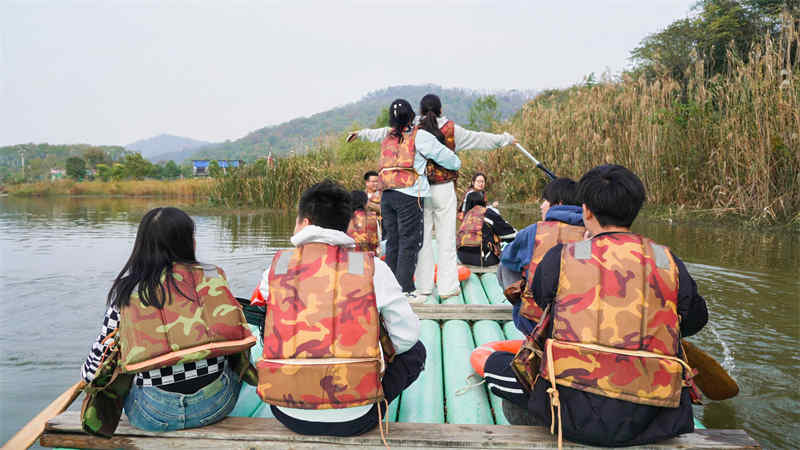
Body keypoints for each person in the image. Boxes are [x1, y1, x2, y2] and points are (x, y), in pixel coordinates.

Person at [484, 165, 708, 447]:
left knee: (495, 366)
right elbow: (696, 319)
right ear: (635, 210)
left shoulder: (562, 257)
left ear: (586, 211)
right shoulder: (668, 261)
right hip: (654, 420)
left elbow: (541, 304)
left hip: (571, 414)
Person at [252, 180, 425, 437]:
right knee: (417, 351)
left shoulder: (277, 268)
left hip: (285, 411)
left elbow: (263, 333)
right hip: (358, 417)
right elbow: (406, 337)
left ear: (304, 223)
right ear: (346, 226)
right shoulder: (371, 267)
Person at [81, 207, 256, 432]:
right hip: (215, 406)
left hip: (153, 415)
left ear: (142, 245)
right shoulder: (212, 277)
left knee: (125, 377)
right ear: (188, 242)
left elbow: (93, 370)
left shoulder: (126, 291)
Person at [350, 94, 515, 300]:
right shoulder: (452, 130)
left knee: (422, 241)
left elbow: (383, 132)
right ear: (441, 109)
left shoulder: (411, 127)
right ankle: (447, 288)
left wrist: (361, 133)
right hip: (442, 189)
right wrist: (506, 139)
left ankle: (423, 287)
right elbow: (481, 138)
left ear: (419, 110)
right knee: (445, 239)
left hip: (421, 191)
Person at [351, 98, 461, 299]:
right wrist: (456, 163)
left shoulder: (387, 136)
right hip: (409, 194)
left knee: (392, 241)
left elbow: (373, 134)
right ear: (412, 116)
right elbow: (450, 160)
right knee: (409, 242)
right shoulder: (420, 137)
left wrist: (360, 134)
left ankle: (388, 286)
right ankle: (405, 290)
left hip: (387, 196)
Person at [497, 177, 585, 336]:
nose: (541, 205)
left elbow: (507, 258)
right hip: (578, 325)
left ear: (558, 203)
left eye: (545, 200)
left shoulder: (533, 231)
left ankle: (524, 317)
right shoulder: (590, 234)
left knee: (505, 266)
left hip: (534, 323)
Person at [456, 190, 516, 267]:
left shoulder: (467, 215)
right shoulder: (488, 212)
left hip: (462, 257)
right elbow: (510, 233)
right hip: (481, 260)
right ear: (483, 201)